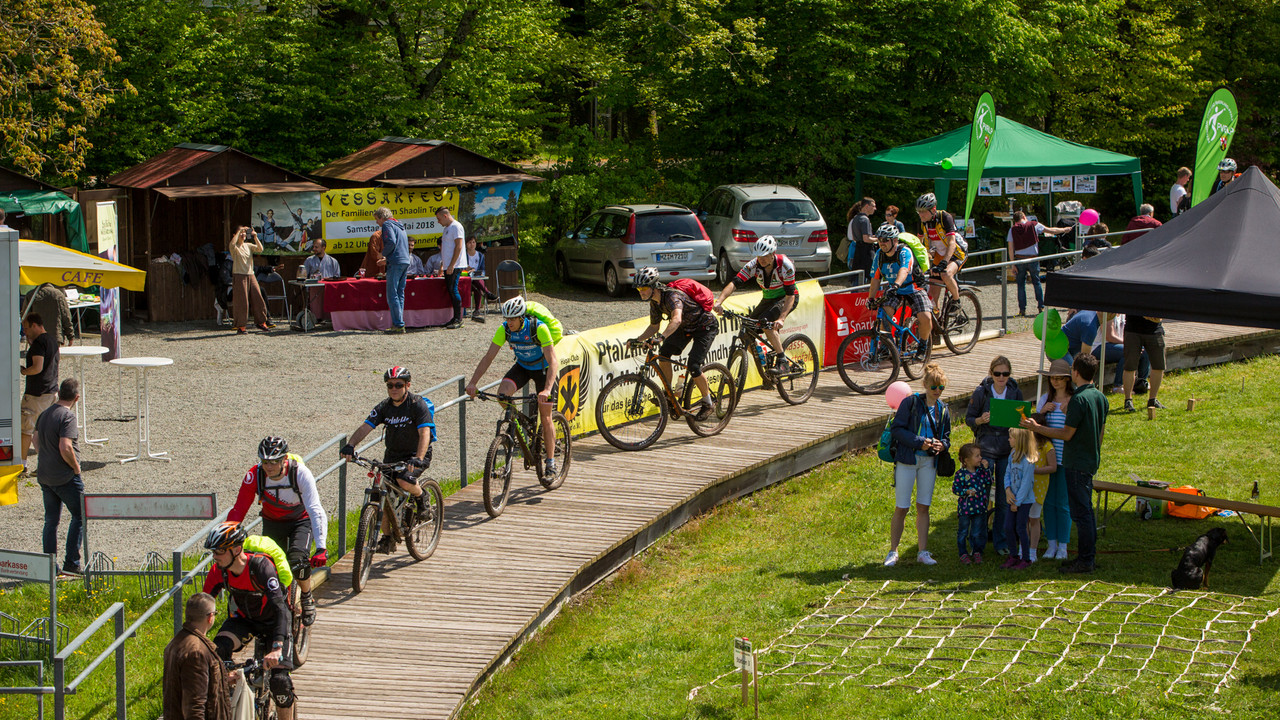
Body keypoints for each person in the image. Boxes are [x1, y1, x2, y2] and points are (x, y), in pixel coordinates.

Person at [1020, 352, 1108, 574]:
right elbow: (1101, 432)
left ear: (1075, 373)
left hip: (1075, 463)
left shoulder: (1079, 399)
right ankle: (1086, 557)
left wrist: (1036, 427)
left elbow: (1067, 434)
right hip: (1088, 461)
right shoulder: (1100, 396)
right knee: (1084, 512)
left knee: (1081, 514)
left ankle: (1086, 560)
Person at [226, 437, 327, 626]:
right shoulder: (255, 475)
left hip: (300, 521)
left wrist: (321, 547)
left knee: (297, 559)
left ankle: (306, 596)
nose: (269, 467)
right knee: (267, 566)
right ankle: (277, 601)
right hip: (272, 522)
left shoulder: (300, 473)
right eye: (265, 462)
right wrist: (225, 538)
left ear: (284, 460)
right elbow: (239, 509)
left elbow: (315, 509)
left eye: (274, 462)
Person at [201, 522, 297, 720]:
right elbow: (202, 607)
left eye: (219, 551)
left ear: (237, 550)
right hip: (244, 621)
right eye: (213, 551)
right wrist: (196, 640)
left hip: (274, 623)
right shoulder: (219, 571)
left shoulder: (261, 568)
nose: (215, 556)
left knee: (280, 683)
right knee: (217, 654)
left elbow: (280, 609)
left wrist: (277, 647)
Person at [340, 367, 434, 554]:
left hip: (414, 455)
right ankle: (388, 536)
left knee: (403, 480)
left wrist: (418, 458)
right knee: (378, 494)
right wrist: (351, 445)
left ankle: (422, 496)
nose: (394, 389)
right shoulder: (384, 407)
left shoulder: (417, 405)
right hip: (392, 456)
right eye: (390, 385)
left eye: (398, 385)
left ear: (407, 385)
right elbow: (365, 427)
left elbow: (425, 432)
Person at [465, 297, 562, 475]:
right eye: (507, 319)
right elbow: (488, 358)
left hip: (543, 368)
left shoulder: (538, 328)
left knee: (546, 416)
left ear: (521, 317)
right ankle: (518, 421)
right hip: (523, 367)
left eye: (513, 319)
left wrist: (546, 389)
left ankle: (550, 462)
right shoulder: (504, 330)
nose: (509, 322)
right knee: (502, 395)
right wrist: (473, 383)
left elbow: (553, 361)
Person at [629, 268, 719, 420]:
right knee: (664, 354)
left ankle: (708, 403)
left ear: (653, 287)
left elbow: (676, 319)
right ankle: (669, 394)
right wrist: (638, 339)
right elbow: (653, 327)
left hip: (705, 327)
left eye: (643, 288)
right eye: (638, 288)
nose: (640, 291)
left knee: (694, 365)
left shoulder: (672, 296)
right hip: (686, 327)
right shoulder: (654, 302)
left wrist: (661, 337)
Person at [885, 362, 950, 567]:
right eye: (934, 387)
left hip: (929, 461)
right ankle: (893, 551)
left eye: (941, 388)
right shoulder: (911, 403)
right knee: (902, 506)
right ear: (925, 385)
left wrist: (942, 445)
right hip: (908, 459)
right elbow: (897, 429)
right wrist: (919, 442)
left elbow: (947, 437)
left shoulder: (943, 409)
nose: (937, 391)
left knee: (924, 506)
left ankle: (922, 551)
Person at [964, 355, 1023, 556]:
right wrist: (980, 420)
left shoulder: (1014, 391)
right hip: (986, 446)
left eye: (1005, 374)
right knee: (981, 495)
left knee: (1004, 496)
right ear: (991, 373)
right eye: (997, 373)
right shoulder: (982, 391)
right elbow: (968, 418)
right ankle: (977, 544)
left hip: (1007, 446)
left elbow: (1021, 418)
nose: (1001, 377)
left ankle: (1001, 541)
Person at [713, 236, 798, 367]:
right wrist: (719, 301)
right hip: (768, 298)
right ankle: (764, 364)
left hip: (786, 298)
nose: (761, 259)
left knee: (765, 322)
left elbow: (790, 295)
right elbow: (735, 283)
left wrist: (781, 318)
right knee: (747, 330)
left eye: (764, 256)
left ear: (773, 254)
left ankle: (783, 360)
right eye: (758, 256)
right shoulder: (753, 265)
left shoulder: (785, 265)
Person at [36, 378, 83, 575]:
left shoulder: (45, 413)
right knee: (80, 515)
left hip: (45, 476)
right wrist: (76, 467)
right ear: (77, 398)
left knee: (51, 521)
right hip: (64, 477)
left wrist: (45, 457)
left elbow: (34, 439)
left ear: (59, 393)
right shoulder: (67, 417)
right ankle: (71, 563)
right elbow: (65, 447)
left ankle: (49, 567)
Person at [162, 592, 233, 720]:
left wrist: (223, 679)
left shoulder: (177, 641)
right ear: (210, 617)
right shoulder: (197, 653)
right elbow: (194, 706)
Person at [866, 224, 933, 355]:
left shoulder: (904, 252)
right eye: (879, 240)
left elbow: (904, 269)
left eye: (885, 240)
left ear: (895, 240)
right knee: (884, 315)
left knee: (925, 317)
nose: (882, 243)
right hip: (894, 290)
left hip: (913, 288)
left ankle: (923, 345)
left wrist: (896, 284)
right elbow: (875, 278)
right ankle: (887, 346)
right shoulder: (879, 255)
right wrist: (871, 298)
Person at [1035, 359, 1074, 561]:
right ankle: (1051, 544)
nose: (1056, 382)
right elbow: (1036, 428)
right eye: (1053, 379)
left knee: (1063, 503)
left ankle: (1063, 546)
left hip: (1066, 460)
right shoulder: (1044, 400)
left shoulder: (1073, 400)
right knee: (1048, 502)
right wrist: (1041, 413)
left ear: (1068, 380)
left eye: (1060, 379)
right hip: (1047, 461)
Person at [1006, 211, 1069, 316]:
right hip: (1033, 258)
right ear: (1024, 217)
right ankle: (1041, 307)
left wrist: (1012, 264)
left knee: (1021, 285)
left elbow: (1011, 248)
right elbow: (1051, 230)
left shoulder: (1012, 230)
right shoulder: (1034, 225)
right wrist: (1064, 230)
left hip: (1019, 259)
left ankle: (1022, 310)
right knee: (1036, 282)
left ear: (1015, 220)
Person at [20, 313, 60, 466]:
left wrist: (23, 371)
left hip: (36, 393)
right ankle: (48, 464)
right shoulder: (52, 341)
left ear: (35, 325)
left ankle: (22, 465)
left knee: (26, 430)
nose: (25, 331)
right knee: (43, 431)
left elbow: (37, 368)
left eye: (26, 328)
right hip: (51, 390)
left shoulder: (38, 344)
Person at [914, 193, 966, 308]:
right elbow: (919, 244)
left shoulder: (944, 217)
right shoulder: (922, 222)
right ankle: (936, 323)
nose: (920, 214)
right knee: (932, 298)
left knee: (946, 274)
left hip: (956, 253)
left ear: (933, 209)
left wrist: (945, 262)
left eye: (923, 211)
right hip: (939, 255)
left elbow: (952, 242)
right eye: (919, 211)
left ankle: (956, 301)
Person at [1002, 428, 1039, 570]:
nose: (1009, 440)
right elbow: (1007, 474)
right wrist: (1007, 490)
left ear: (1020, 440)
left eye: (1011, 437)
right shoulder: (1012, 454)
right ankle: (1013, 555)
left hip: (1024, 501)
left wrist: (1017, 502)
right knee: (1008, 527)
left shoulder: (1029, 460)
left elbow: (1026, 484)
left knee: (1020, 528)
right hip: (1012, 499)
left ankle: (1026, 557)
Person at [951, 443, 992, 565]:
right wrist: (966, 492)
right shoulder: (961, 474)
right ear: (966, 460)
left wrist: (986, 469)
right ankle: (963, 553)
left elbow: (989, 481)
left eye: (980, 455)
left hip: (979, 508)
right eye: (977, 456)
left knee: (976, 532)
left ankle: (976, 552)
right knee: (963, 532)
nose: (980, 458)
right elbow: (955, 489)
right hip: (965, 509)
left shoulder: (981, 472)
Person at [229, 226, 273, 334]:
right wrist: (239, 230)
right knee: (242, 301)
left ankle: (261, 322)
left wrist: (255, 237)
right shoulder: (235, 247)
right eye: (241, 233)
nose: (243, 235)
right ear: (235, 235)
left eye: (244, 233)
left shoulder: (248, 246)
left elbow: (260, 249)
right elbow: (231, 244)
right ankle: (241, 326)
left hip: (250, 274)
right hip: (239, 275)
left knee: (258, 297)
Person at [375, 207, 411, 334]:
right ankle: (399, 322)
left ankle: (398, 324)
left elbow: (391, 242)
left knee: (392, 294)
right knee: (400, 293)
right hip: (405, 261)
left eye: (376, 220)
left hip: (395, 263)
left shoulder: (387, 224)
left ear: (381, 217)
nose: (377, 223)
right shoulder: (400, 225)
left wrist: (382, 254)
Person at [1123, 314, 1167, 412]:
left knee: (1159, 366)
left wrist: (1159, 318)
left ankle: (1152, 399)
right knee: (1130, 366)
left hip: (1155, 330)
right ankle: (1128, 400)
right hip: (1132, 330)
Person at [436, 207, 468, 329]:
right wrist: (442, 265)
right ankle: (454, 317)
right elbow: (446, 249)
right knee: (450, 290)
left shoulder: (456, 226)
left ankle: (459, 319)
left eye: (439, 219)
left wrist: (452, 265)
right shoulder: (446, 229)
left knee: (453, 290)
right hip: (448, 265)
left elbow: (459, 247)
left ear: (445, 216)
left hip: (455, 265)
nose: (438, 222)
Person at [466, 236, 499, 321]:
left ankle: (477, 309)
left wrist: (479, 273)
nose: (472, 244)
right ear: (466, 244)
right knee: (478, 285)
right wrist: (467, 269)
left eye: (473, 242)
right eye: (469, 243)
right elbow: (461, 268)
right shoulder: (463, 255)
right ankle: (488, 293)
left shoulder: (480, 255)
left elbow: (482, 270)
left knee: (478, 283)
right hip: (467, 279)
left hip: (477, 278)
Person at [846, 197, 876, 281]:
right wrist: (878, 239)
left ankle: (855, 293)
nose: (875, 208)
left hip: (858, 251)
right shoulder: (864, 219)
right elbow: (866, 239)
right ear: (867, 206)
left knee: (857, 275)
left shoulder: (855, 218)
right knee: (871, 275)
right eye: (873, 206)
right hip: (866, 252)